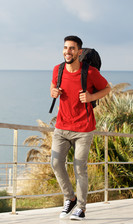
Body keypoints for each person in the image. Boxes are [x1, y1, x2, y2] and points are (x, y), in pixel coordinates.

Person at [50, 35, 111, 220]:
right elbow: (54, 85)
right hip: (61, 126)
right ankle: (70, 198)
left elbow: (107, 88)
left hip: (83, 128)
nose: (67, 51)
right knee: (55, 163)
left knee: (79, 168)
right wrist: (53, 91)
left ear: (79, 52)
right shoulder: (58, 69)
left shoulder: (90, 72)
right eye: (65, 48)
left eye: (71, 48)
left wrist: (92, 98)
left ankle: (81, 208)